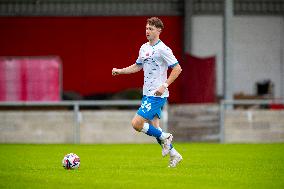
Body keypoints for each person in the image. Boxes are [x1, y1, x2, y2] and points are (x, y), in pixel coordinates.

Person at [112, 17, 182, 168]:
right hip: (147, 93)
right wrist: (120, 71)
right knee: (155, 128)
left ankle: (166, 137)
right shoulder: (144, 47)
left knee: (136, 124)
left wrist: (164, 85)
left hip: (157, 95)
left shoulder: (163, 49)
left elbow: (177, 69)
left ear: (159, 30)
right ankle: (174, 154)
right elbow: (138, 66)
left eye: (150, 29)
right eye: (146, 28)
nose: (147, 31)